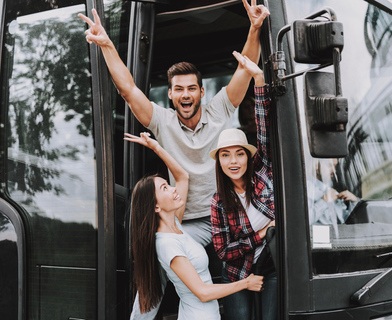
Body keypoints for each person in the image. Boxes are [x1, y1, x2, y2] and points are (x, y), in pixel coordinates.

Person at [78, 0, 270, 247]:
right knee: (165, 253)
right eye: (178, 89)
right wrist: (106, 45)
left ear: (201, 92)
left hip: (226, 216)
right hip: (187, 222)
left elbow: (246, 69)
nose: (186, 95)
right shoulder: (161, 121)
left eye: (192, 88)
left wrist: (255, 28)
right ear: (170, 95)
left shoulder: (220, 108)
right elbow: (128, 90)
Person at [125, 131, 264, 319]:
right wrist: (246, 283)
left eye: (168, 184)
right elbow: (202, 293)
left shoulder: (175, 225)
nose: (173, 189)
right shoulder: (167, 244)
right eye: (165, 188)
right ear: (155, 206)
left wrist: (156, 147)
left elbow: (182, 176)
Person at [210, 52, 276, 320]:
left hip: (271, 266)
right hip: (237, 274)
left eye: (239, 153)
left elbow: (263, 128)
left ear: (248, 157)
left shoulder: (262, 172)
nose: (233, 161)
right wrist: (261, 235)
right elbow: (224, 250)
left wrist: (258, 78)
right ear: (220, 162)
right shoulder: (218, 201)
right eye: (225, 155)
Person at [308, 158, 359, 225]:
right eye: (329, 165)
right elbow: (301, 223)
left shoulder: (333, 192)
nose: (334, 170)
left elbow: (345, 222)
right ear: (316, 165)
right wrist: (323, 202)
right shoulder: (305, 190)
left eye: (335, 166)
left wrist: (354, 203)